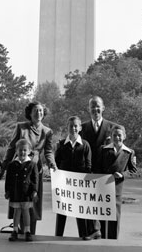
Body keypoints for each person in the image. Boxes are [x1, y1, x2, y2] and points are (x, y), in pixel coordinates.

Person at [1, 101, 56, 234]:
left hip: (34, 170)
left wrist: (52, 164)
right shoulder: (21, 127)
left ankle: (30, 231)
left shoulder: (47, 131)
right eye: (36, 110)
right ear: (30, 113)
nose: (39, 113)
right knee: (18, 199)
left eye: (41, 111)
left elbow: (48, 151)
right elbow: (11, 147)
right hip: (18, 169)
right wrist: (4, 165)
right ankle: (18, 229)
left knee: (33, 201)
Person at [80, 95, 116, 240]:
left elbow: (120, 149)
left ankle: (107, 235)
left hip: (106, 173)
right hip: (88, 171)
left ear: (103, 108)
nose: (95, 109)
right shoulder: (82, 128)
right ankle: (93, 230)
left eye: (98, 106)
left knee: (104, 204)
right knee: (89, 203)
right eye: (92, 106)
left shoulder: (112, 127)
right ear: (89, 109)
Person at [54, 116, 91, 239]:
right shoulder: (61, 144)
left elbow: (88, 165)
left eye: (76, 126)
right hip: (64, 185)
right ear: (67, 127)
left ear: (80, 128)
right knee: (62, 211)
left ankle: (83, 235)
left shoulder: (85, 145)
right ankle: (58, 236)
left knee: (80, 212)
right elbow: (56, 162)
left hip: (79, 185)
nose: (73, 128)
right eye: (71, 126)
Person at [100, 124, 137, 239]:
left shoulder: (129, 152)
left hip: (117, 188)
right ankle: (102, 243)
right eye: (114, 135)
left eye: (119, 135)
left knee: (115, 217)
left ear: (124, 136)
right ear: (111, 136)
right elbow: (98, 168)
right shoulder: (104, 150)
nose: (117, 138)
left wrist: (122, 174)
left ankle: (113, 243)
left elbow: (133, 170)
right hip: (103, 187)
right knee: (103, 216)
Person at [5, 139, 39, 242]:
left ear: (29, 151)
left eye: (25, 150)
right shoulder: (12, 165)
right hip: (15, 192)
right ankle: (15, 231)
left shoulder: (32, 164)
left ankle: (27, 231)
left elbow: (35, 179)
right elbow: (8, 179)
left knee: (26, 212)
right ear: (16, 150)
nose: (22, 152)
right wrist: (7, 191)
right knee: (16, 212)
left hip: (26, 192)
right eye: (20, 150)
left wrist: (35, 190)